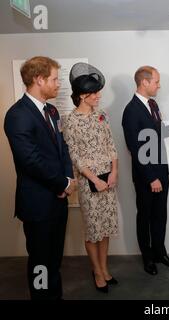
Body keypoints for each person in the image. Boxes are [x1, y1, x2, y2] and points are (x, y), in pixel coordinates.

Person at [4, 56, 76, 300]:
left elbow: (62, 148)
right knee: (41, 264)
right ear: (38, 79)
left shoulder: (52, 110)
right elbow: (31, 161)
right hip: (38, 205)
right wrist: (63, 184)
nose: (58, 84)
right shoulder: (17, 115)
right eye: (55, 79)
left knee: (54, 260)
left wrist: (67, 179)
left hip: (58, 200)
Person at [122, 66, 169, 275]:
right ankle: (148, 258)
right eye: (157, 82)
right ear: (145, 82)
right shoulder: (131, 110)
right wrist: (151, 178)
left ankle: (160, 253)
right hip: (146, 177)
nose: (159, 85)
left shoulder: (153, 104)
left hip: (161, 172)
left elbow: (156, 133)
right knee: (146, 216)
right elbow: (134, 147)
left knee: (160, 216)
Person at [62, 63, 119, 293]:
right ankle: (96, 271)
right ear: (83, 95)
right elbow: (74, 155)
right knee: (93, 230)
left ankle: (104, 268)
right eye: (94, 93)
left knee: (105, 228)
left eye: (98, 91)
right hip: (89, 182)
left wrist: (114, 171)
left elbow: (111, 145)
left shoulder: (102, 115)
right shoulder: (70, 121)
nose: (98, 96)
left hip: (109, 180)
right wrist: (94, 179)